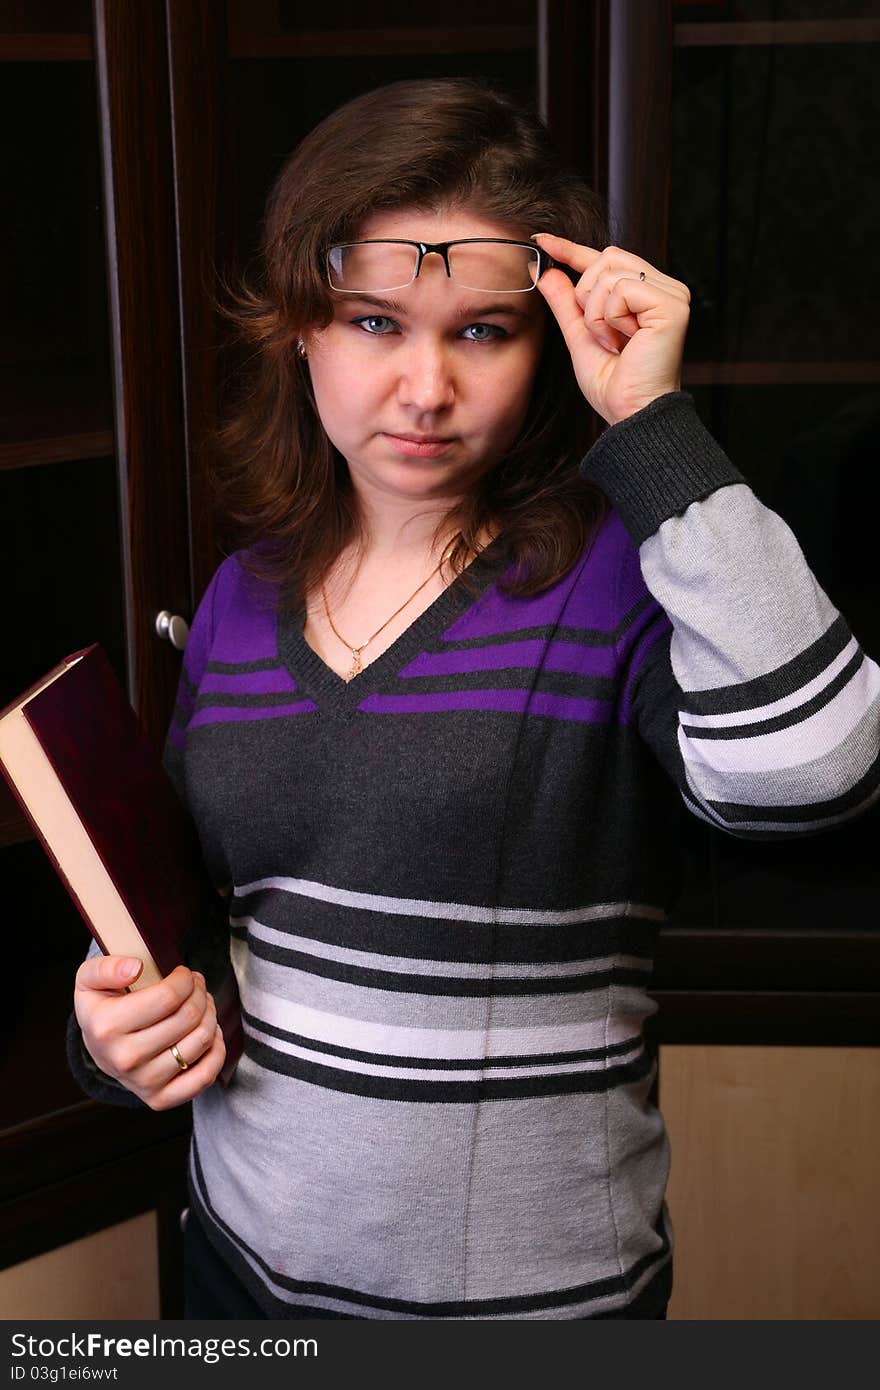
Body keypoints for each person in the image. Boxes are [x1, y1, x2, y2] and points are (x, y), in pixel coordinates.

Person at [65, 77, 880, 1321]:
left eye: (483, 331)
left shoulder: (625, 571)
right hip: (238, 1267)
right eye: (375, 322)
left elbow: (817, 774)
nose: (426, 387)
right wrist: (117, 1033)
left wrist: (653, 425)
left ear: (544, 338)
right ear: (301, 326)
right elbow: (192, 925)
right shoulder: (239, 595)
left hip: (530, 1310)